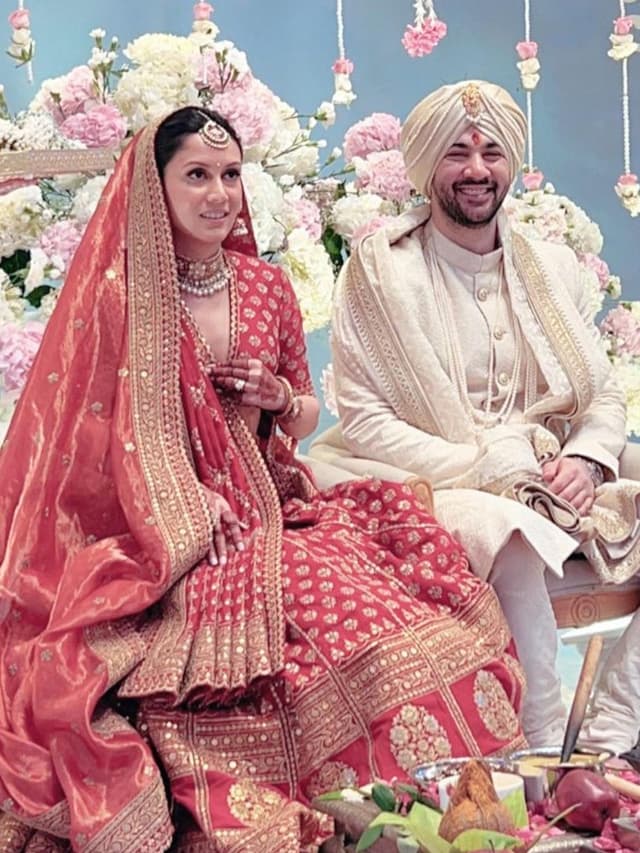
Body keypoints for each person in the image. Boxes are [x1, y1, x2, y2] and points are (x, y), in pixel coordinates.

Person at [0, 106, 526, 853]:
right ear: (153, 188)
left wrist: (278, 398)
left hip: (276, 508)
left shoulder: (267, 285)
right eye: (196, 175)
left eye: (230, 175)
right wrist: (183, 502)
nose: (219, 194)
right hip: (168, 536)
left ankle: (437, 813)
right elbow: (84, 450)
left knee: (395, 619)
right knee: (304, 639)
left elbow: (306, 411)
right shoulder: (119, 300)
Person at [311, 80, 640, 753]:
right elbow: (367, 420)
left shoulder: (550, 267)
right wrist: (491, 469)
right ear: (426, 165)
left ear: (510, 162)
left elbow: (602, 394)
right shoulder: (382, 274)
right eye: (456, 153)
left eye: (491, 152)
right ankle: (542, 750)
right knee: (508, 530)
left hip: (551, 466)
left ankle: (611, 734)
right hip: (435, 473)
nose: (476, 170)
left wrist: (584, 461)